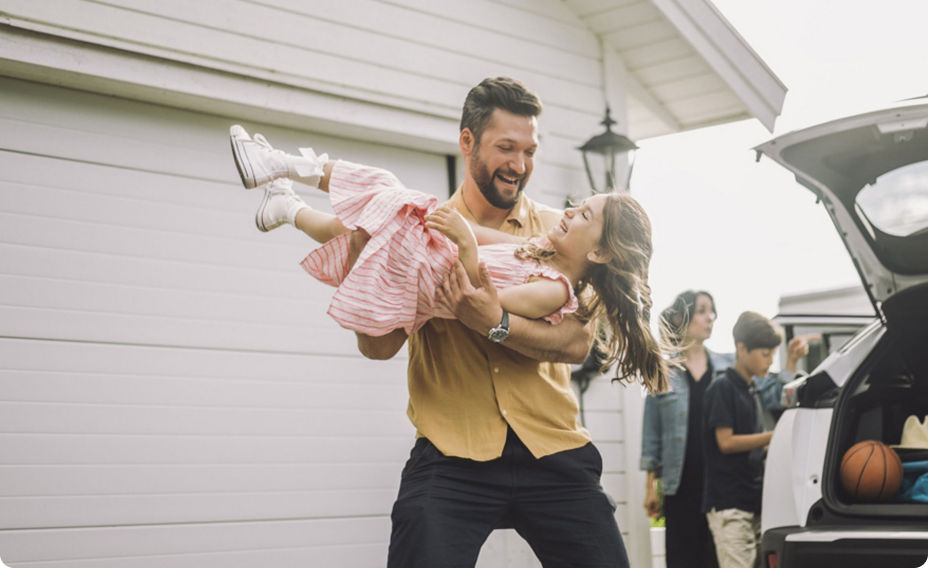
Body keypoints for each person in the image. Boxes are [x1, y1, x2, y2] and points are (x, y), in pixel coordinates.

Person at [236, 76, 665, 567]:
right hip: (452, 450)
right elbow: (377, 348)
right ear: (468, 142)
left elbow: (573, 344)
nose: (519, 165)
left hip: (550, 446)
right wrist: (363, 266)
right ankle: (288, 202)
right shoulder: (430, 225)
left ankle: (289, 199)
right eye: (506, 148)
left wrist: (492, 321)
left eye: (529, 150)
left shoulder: (556, 231)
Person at [227, 125, 660, 353]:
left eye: (584, 214)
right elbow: (476, 234)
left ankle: (279, 166)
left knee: (381, 186)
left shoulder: (554, 291)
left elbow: (484, 301)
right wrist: (448, 224)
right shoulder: (538, 254)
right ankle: (284, 206)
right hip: (427, 257)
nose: (570, 210)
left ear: (600, 252)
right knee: (363, 220)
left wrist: (466, 247)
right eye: (578, 204)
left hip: (425, 274)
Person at [640, 291, 807, 568]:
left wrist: (790, 363)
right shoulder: (663, 371)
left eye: (713, 311)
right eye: (702, 310)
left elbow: (770, 393)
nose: (710, 318)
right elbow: (652, 434)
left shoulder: (728, 366)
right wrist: (651, 487)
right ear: (682, 316)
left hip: (721, 480)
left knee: (717, 558)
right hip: (681, 482)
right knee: (683, 558)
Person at [702, 311, 784, 568]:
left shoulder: (753, 389)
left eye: (772, 354)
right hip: (729, 504)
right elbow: (725, 442)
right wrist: (772, 436)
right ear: (741, 348)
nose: (770, 361)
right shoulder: (722, 387)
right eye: (764, 353)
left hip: (754, 502)